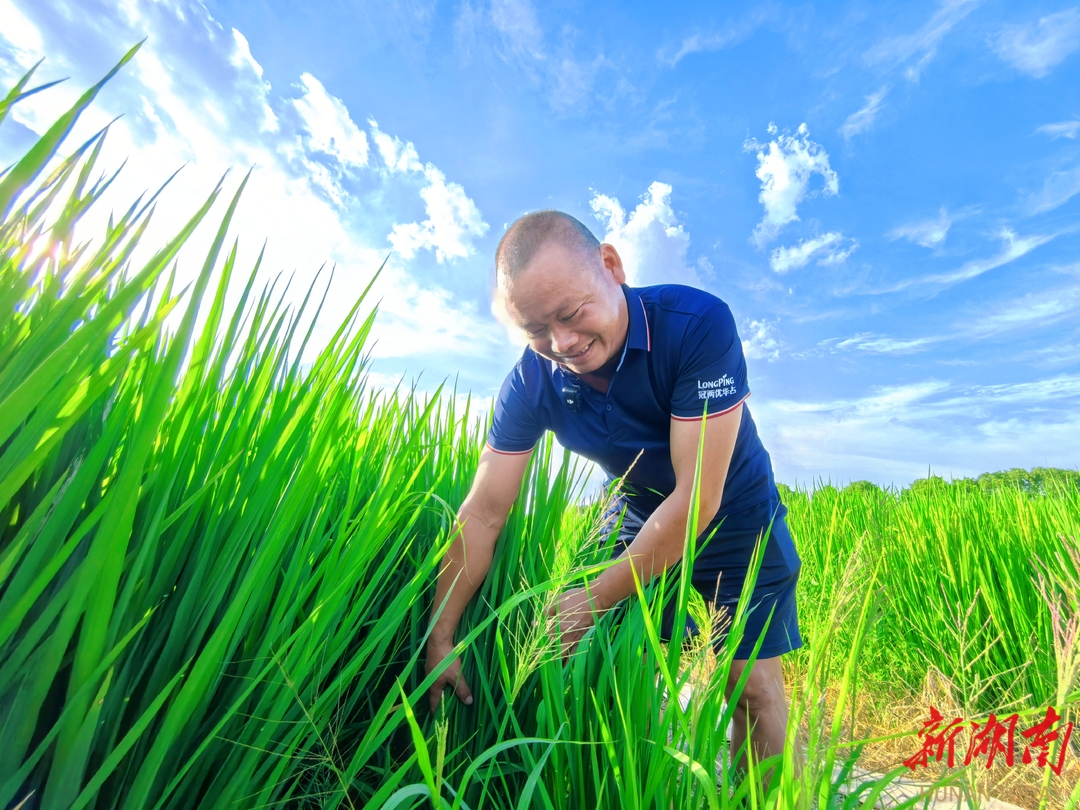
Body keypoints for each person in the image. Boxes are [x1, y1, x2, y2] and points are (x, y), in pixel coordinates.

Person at [424, 209, 803, 781]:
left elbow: (698, 496)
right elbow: (481, 513)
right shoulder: (531, 382)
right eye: (537, 331)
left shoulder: (696, 325)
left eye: (572, 314)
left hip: (733, 512)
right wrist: (441, 633)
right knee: (611, 663)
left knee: (750, 685)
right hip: (633, 513)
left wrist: (592, 599)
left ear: (611, 266)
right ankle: (643, 780)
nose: (563, 343)